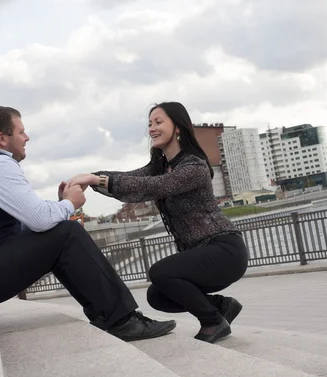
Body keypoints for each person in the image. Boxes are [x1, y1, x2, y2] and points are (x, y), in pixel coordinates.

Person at [0, 105, 176, 342]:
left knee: (61, 231)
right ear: (2, 138)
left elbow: (32, 223)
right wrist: (70, 204)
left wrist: (59, 205)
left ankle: (108, 315)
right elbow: (40, 220)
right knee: (68, 232)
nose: (27, 137)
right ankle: (122, 320)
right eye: (21, 132)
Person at [66, 102, 248, 344]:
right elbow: (129, 178)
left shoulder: (194, 166)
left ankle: (213, 322)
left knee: (160, 272)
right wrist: (88, 180)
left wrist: (92, 178)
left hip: (224, 251)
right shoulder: (161, 166)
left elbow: (150, 187)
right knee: (157, 296)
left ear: (178, 128)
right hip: (201, 251)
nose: (152, 128)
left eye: (158, 122)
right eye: (150, 123)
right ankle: (220, 307)